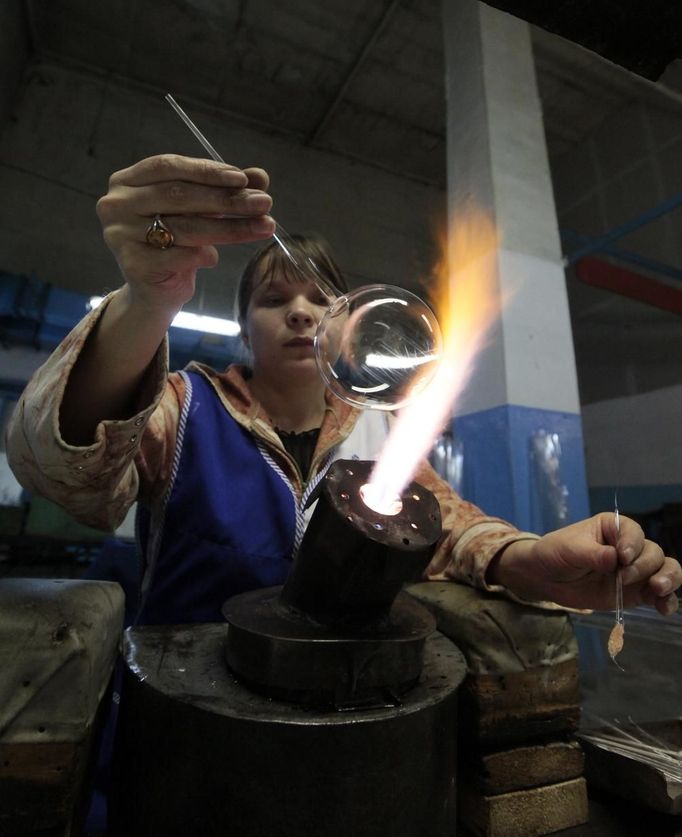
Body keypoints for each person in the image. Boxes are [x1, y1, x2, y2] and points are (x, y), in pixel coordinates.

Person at [6, 154, 681, 625]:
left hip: (346, 714)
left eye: (320, 297)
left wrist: (532, 560)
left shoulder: (375, 428)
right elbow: (60, 474)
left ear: (348, 324)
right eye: (274, 300)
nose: (300, 312)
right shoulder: (185, 408)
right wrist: (147, 301)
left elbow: (450, 531)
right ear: (244, 330)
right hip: (188, 715)